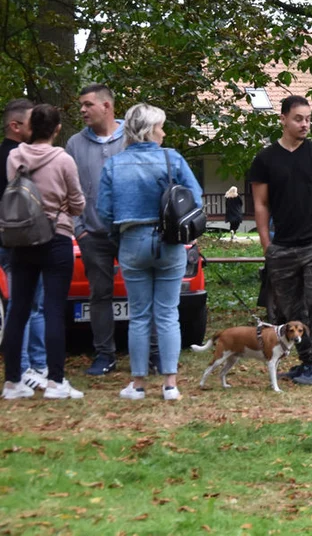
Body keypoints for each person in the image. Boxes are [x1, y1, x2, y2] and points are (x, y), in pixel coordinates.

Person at [97, 104, 202, 401]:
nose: (164, 132)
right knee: (168, 314)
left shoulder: (114, 165)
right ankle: (170, 384)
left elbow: (103, 211)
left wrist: (118, 237)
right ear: (150, 130)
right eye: (161, 127)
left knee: (140, 316)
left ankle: (139, 385)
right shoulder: (173, 159)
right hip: (169, 243)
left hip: (131, 241)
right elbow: (196, 199)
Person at [248, 96, 312, 386]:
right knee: (291, 311)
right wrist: (267, 245)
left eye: (308, 119)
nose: (305, 124)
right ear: (284, 119)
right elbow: (260, 205)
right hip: (283, 248)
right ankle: (306, 362)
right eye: (299, 118)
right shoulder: (265, 160)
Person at [2, 104, 86, 400]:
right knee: (52, 310)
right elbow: (77, 203)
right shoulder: (63, 159)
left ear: (30, 126)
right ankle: (56, 382)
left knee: (18, 310)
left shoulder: (14, 157)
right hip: (56, 238)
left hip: (22, 240)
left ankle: (12, 382)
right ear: (57, 129)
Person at [66, 84, 127, 375]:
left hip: (130, 233)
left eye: (88, 104)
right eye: (81, 105)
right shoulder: (75, 144)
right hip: (93, 235)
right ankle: (105, 355)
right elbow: (69, 189)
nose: (82, 110)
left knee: (141, 294)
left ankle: (151, 355)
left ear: (107, 106)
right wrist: (80, 229)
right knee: (99, 296)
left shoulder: (133, 136)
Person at [0, 98, 48, 391]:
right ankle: (25, 367)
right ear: (15, 126)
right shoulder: (19, 158)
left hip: (26, 241)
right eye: (33, 122)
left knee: (32, 305)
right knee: (25, 306)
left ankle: (37, 364)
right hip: (15, 243)